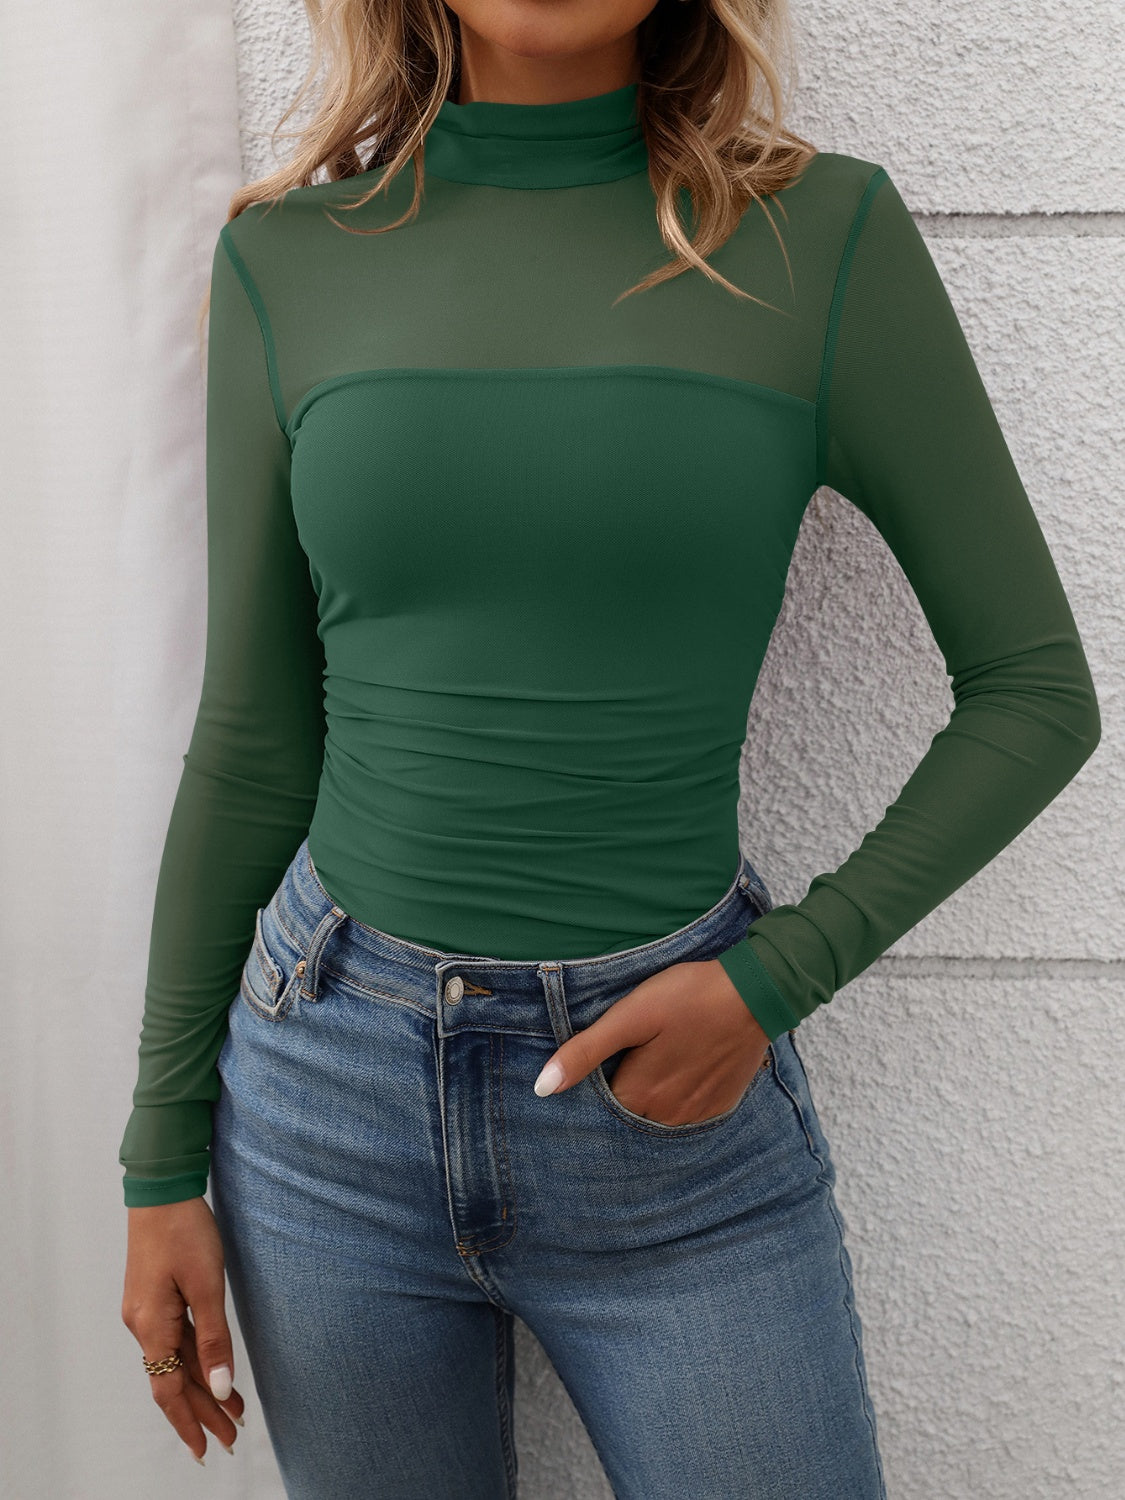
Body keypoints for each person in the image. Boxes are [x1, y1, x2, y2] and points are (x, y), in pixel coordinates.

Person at [118, 1, 1101, 1495]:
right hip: (325, 1103)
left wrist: (776, 978)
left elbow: (1035, 690)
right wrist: (159, 1164)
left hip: (672, 1116)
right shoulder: (286, 259)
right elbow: (255, 741)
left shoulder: (819, 238)